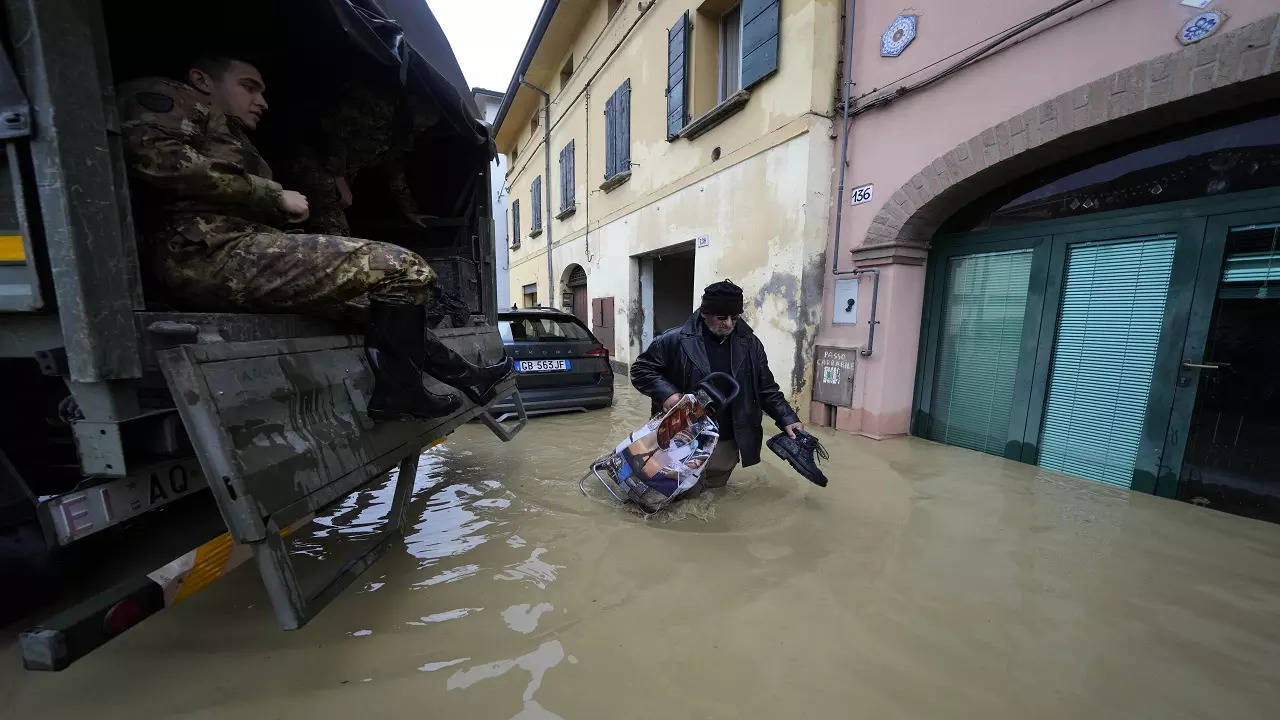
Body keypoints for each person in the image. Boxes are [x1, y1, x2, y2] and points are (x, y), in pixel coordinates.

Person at [116, 54, 510, 422]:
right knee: (403, 269)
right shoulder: (172, 97)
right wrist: (270, 194)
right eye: (249, 87)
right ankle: (400, 394)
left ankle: (467, 377)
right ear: (201, 80)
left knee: (373, 305)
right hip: (204, 251)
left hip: (230, 247)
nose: (262, 101)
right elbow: (156, 160)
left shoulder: (229, 132)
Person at [631, 280, 804, 493]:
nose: (729, 324)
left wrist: (788, 418)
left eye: (735, 317)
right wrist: (670, 396)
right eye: (722, 318)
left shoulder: (751, 344)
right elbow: (640, 371)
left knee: (712, 495)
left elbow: (766, 387)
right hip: (680, 436)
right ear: (705, 313)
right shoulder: (673, 340)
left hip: (727, 440)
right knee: (670, 494)